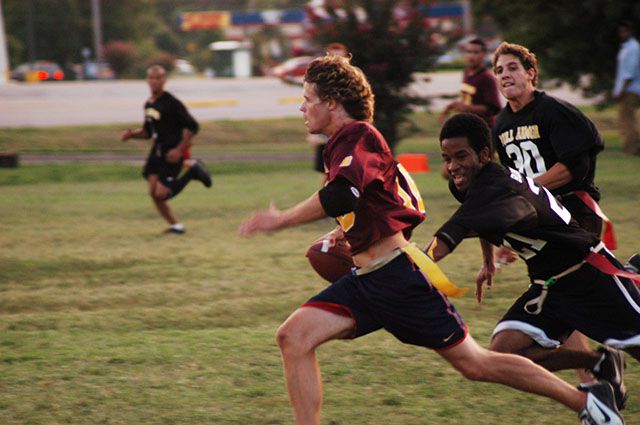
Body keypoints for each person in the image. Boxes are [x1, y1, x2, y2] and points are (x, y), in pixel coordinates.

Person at [240, 55, 625, 425]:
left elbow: (342, 194)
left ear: (332, 102)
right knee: (293, 337)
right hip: (370, 279)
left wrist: (280, 220)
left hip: (397, 280)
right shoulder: (346, 144)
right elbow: (405, 204)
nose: (301, 108)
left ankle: (587, 402)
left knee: (475, 363)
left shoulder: (358, 136)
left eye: (307, 99)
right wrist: (352, 232)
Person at [428, 112, 640, 422]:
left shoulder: (498, 187)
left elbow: (454, 230)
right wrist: (488, 260)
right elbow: (476, 217)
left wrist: (412, 264)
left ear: (485, 155)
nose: (453, 166)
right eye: (447, 158)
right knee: (502, 355)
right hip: (548, 286)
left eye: (461, 156)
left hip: (588, 273)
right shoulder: (467, 185)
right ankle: (598, 362)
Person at [490, 41, 638, 387]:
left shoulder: (554, 111)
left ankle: (595, 370)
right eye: (499, 70)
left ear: (530, 73)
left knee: (575, 290)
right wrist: (514, 232)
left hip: (574, 216)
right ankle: (594, 372)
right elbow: (515, 183)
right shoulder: (500, 125)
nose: (505, 75)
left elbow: (575, 166)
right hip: (543, 227)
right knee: (564, 296)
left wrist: (531, 191)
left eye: (512, 67)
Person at [121, 65, 211, 234]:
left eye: (158, 78)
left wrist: (179, 149)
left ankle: (193, 170)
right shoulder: (148, 104)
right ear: (147, 80)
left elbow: (193, 126)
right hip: (157, 152)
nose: (154, 81)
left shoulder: (172, 103)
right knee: (153, 193)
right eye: (151, 78)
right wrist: (132, 135)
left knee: (161, 194)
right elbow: (147, 132)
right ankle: (176, 227)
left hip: (172, 153)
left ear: (164, 80)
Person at [439, 37, 501, 127]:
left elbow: (494, 109)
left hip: (484, 129)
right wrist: (451, 107)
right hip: (468, 127)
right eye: (468, 52)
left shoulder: (486, 77)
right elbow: (468, 99)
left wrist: (466, 108)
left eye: (475, 52)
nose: (471, 56)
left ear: (483, 54)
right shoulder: (466, 73)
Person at [309, 43, 350, 173]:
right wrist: (313, 133)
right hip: (327, 134)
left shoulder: (354, 81)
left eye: (340, 57)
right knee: (327, 172)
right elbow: (315, 107)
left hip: (347, 132)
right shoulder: (321, 82)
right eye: (333, 56)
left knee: (347, 170)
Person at [614, 21, 640, 156]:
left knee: (628, 119)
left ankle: (633, 148)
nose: (622, 34)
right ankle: (631, 146)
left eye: (625, 31)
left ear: (631, 32)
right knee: (625, 118)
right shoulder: (626, 47)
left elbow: (629, 72)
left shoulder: (633, 48)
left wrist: (621, 90)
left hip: (630, 89)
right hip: (627, 88)